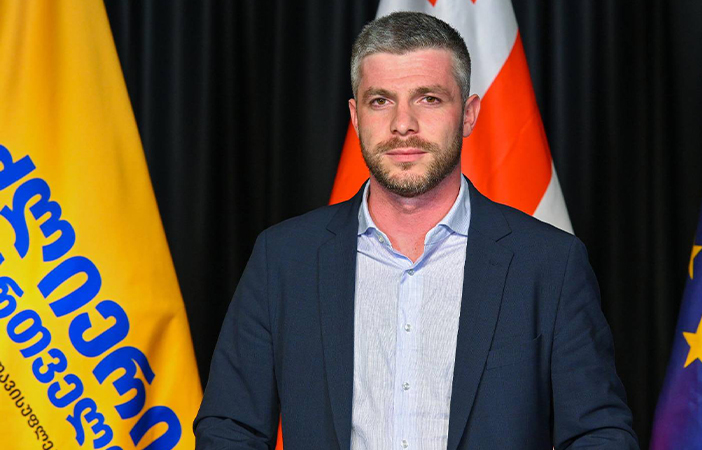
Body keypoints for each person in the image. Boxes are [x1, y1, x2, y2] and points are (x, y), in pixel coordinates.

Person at [194, 11, 638, 450]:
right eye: (380, 101)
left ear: (468, 115)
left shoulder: (550, 264)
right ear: (355, 116)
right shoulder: (282, 259)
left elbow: (599, 434)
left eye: (429, 98)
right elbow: (229, 430)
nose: (402, 124)